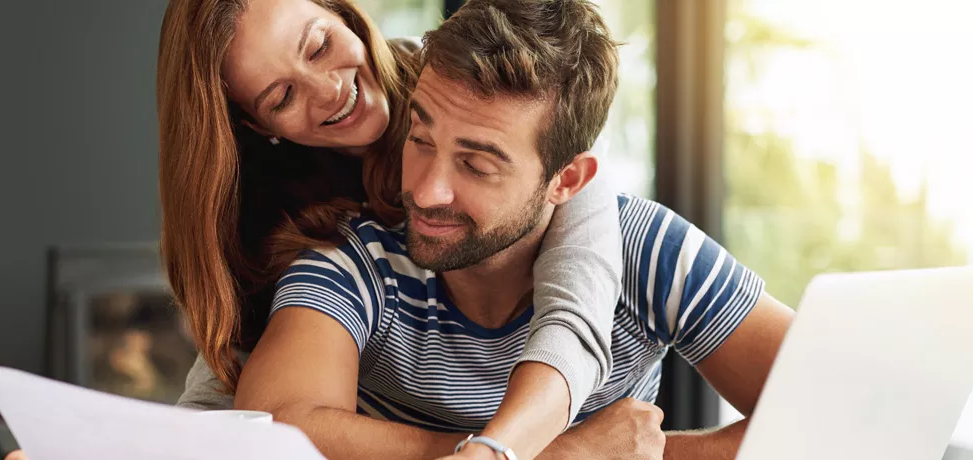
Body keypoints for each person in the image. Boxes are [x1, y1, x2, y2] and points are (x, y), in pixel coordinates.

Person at [222, 0, 796, 459]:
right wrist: (563, 456)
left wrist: (649, 454)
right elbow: (274, 429)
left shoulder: (643, 249)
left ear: (567, 179)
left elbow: (844, 404)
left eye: (477, 164)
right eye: (419, 141)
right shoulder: (351, 262)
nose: (424, 192)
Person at [159, 0, 622, 443]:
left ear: (343, 13)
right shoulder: (266, 224)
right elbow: (228, 395)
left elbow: (579, 305)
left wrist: (506, 448)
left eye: (319, 46)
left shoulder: (489, 94)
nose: (329, 90)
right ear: (259, 127)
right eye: (282, 97)